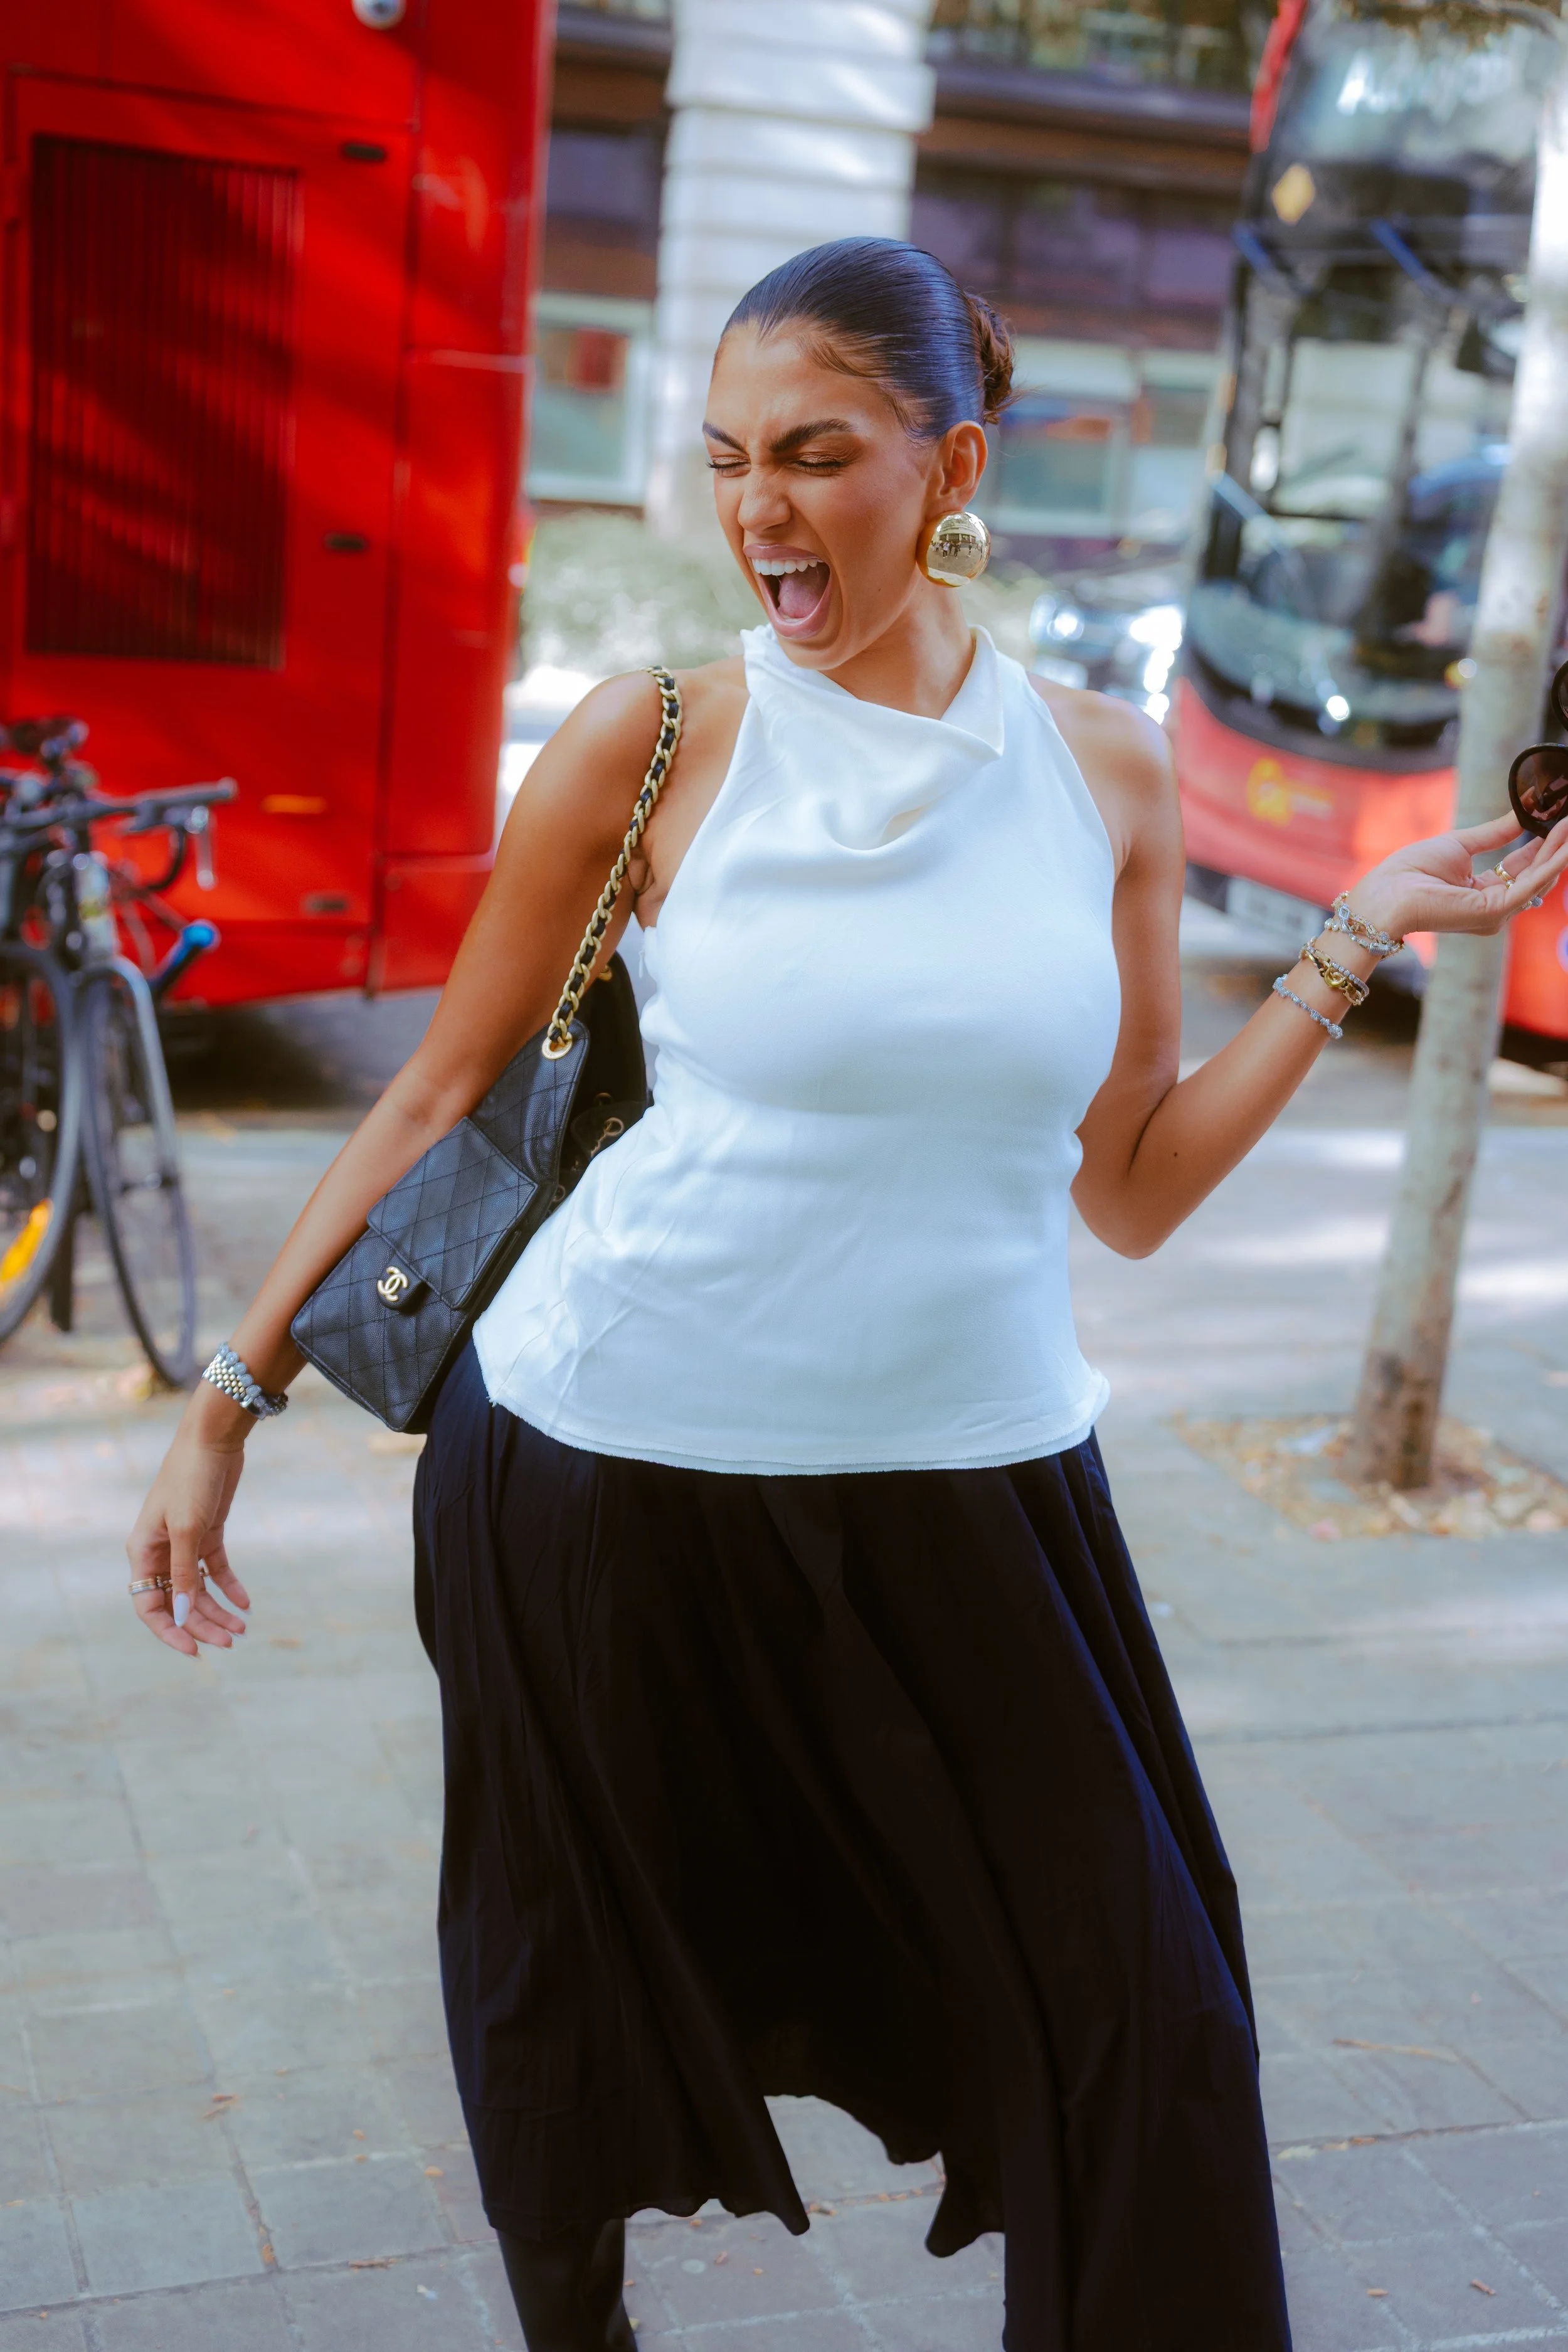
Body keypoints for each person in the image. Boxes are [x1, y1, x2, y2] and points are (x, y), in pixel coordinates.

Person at [126, 238, 1568, 2352]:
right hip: (605, 1474)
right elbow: (441, 1083)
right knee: (579, 2019)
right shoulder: (658, 739)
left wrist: (1353, 929)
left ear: (949, 459)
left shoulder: (1103, 771)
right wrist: (223, 1403)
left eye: (814, 456)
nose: (760, 514)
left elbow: (1135, 1188)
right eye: (726, 463)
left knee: (1147, 2028)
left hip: (979, 1490)